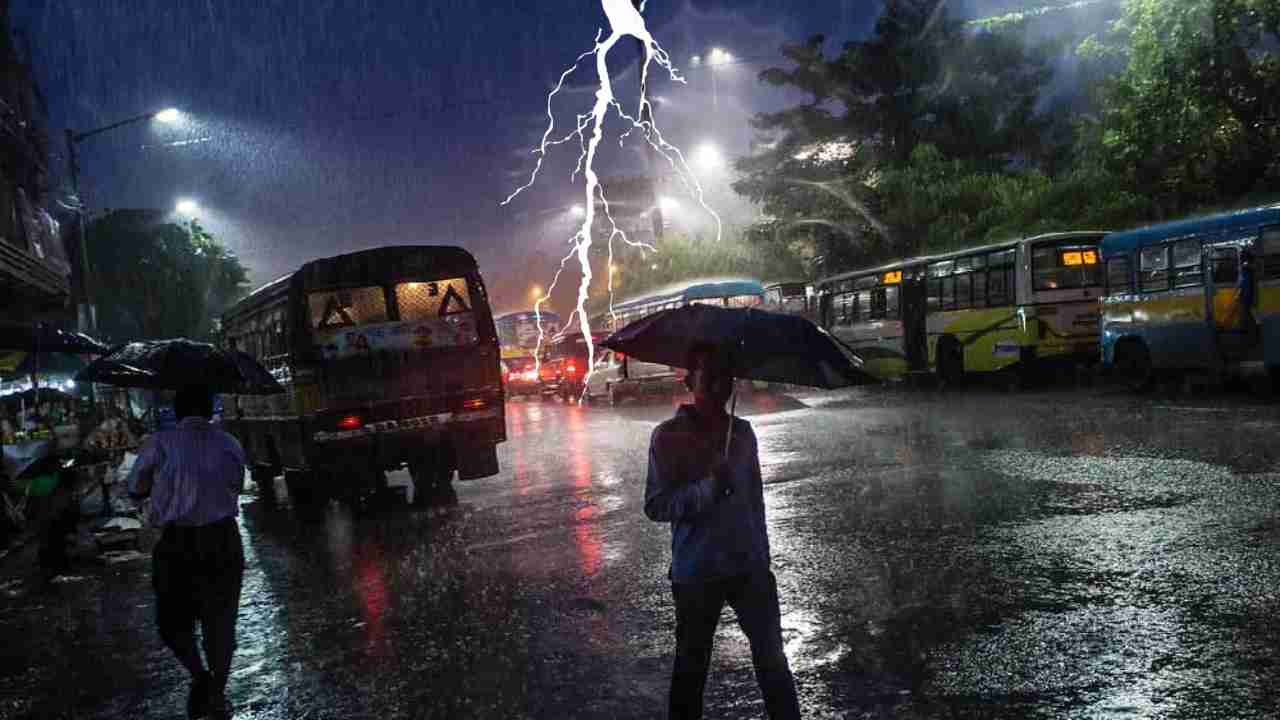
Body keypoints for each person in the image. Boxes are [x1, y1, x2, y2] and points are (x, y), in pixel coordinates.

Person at [644, 343, 801, 720]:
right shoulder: (668, 437)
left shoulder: (743, 434)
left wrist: (762, 560)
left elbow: (755, 503)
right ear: (689, 381)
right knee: (691, 671)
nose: (719, 384)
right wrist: (708, 488)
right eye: (709, 375)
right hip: (697, 572)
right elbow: (656, 505)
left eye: (725, 376)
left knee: (773, 663)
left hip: (748, 568)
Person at [127, 385, 245, 720]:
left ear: (176, 412)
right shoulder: (229, 443)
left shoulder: (159, 444)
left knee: (171, 621)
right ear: (209, 410)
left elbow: (135, 486)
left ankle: (199, 676)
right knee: (220, 622)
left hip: (177, 543)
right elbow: (236, 484)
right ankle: (217, 692)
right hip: (223, 540)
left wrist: (164, 488)